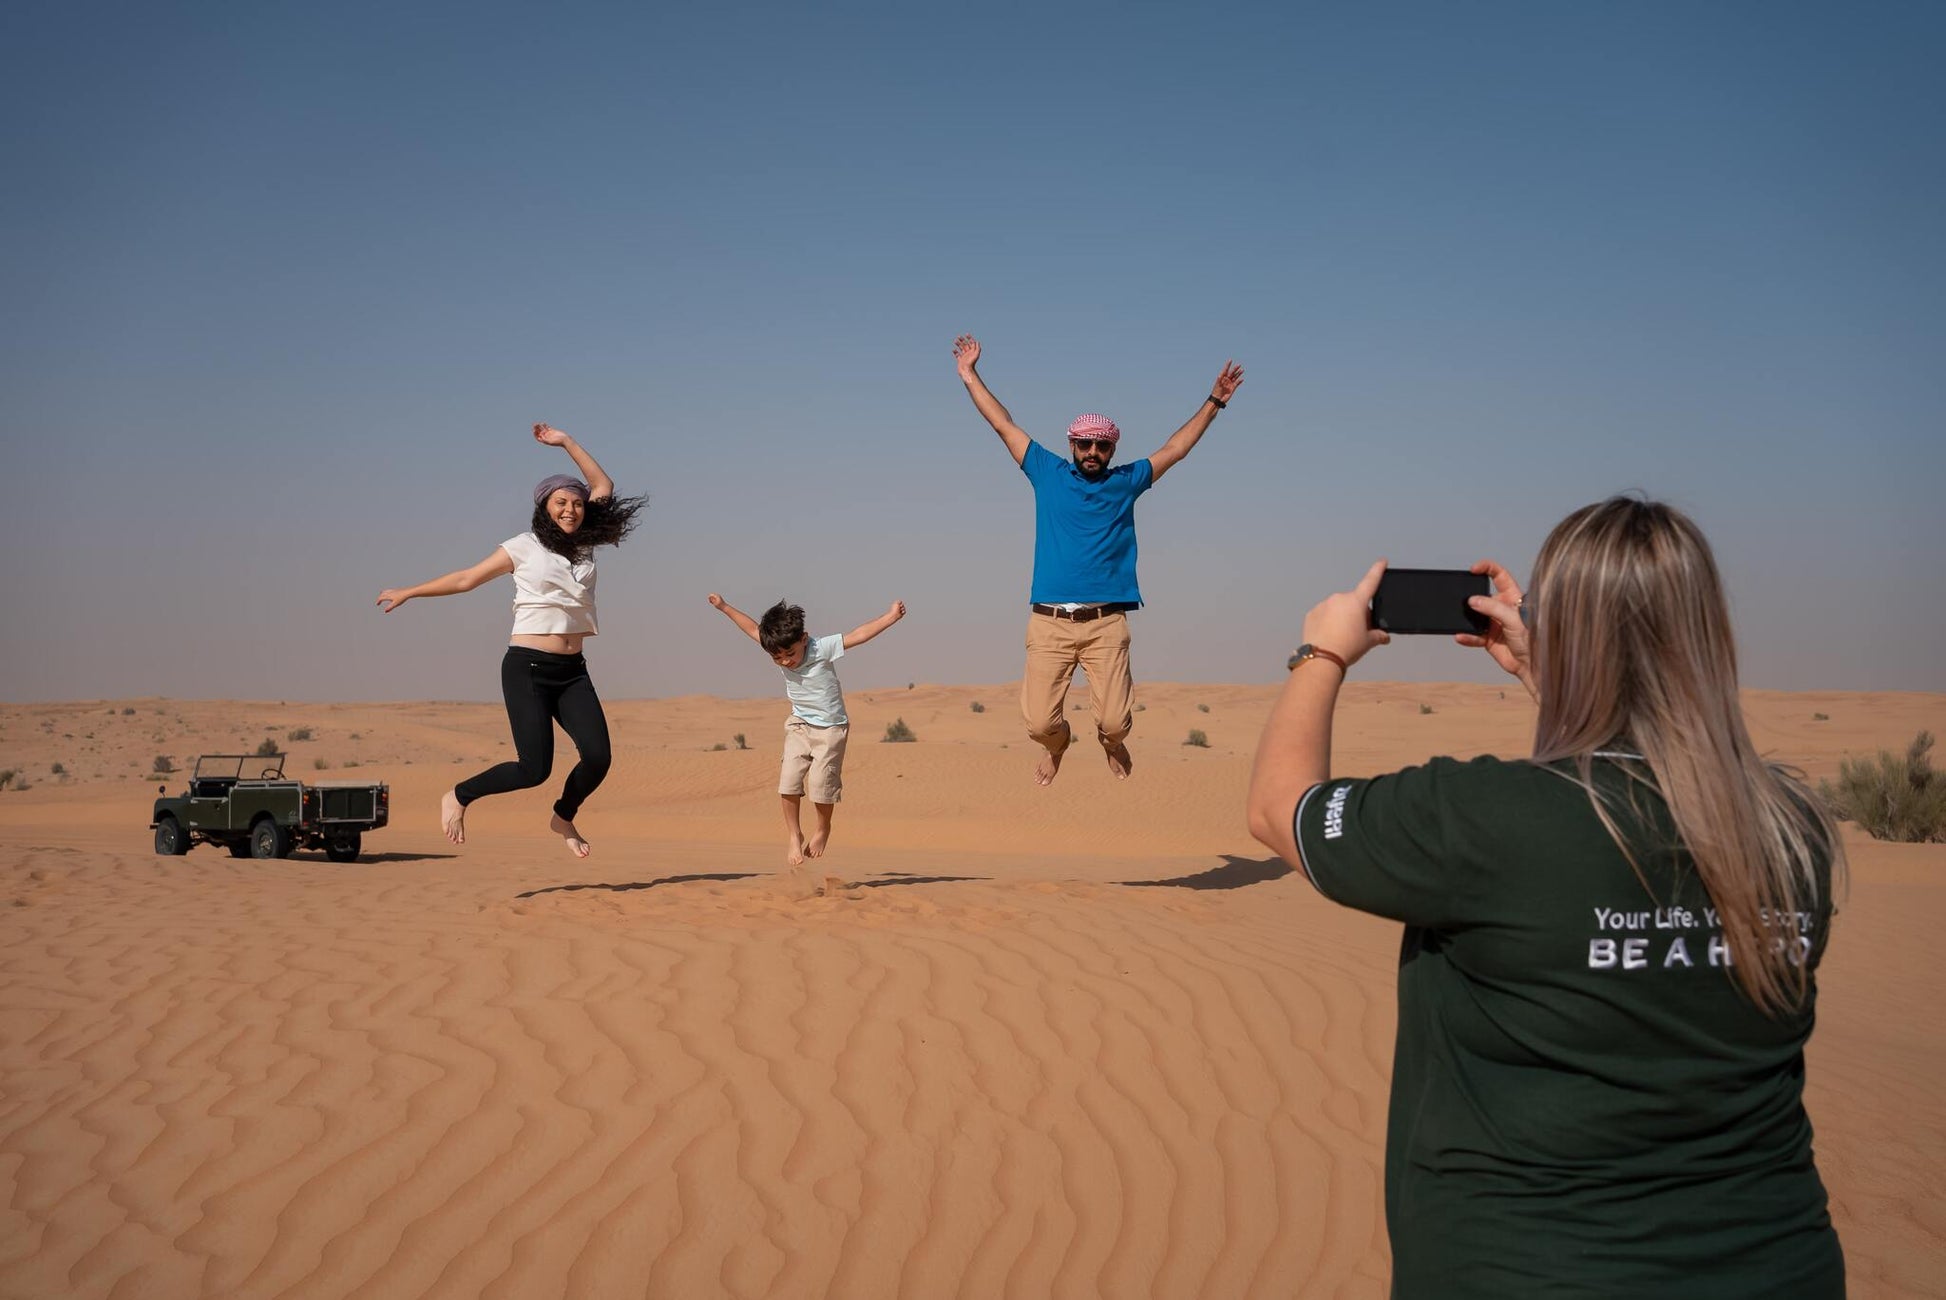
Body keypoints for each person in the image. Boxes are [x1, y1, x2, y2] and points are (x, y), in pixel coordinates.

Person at [1245, 497, 1847, 1297]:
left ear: (1570, 630)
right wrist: (1553, 679)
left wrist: (1319, 654)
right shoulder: (1793, 829)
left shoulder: (1485, 819)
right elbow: (1643, 790)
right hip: (1780, 1269)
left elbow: (1279, 809)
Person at [953, 333, 1244, 786]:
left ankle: (1111, 744)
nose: (1093, 453)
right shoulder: (1046, 472)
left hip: (1106, 623)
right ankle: (1058, 747)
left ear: (1113, 450)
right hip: (1049, 621)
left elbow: (1175, 449)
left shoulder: (1126, 481)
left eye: (1102, 447)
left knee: (1113, 722)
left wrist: (1214, 402)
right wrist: (970, 375)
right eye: (1084, 445)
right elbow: (1003, 424)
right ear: (1071, 445)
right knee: (1038, 724)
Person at [376, 425, 644, 858]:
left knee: (598, 757)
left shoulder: (586, 545)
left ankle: (563, 816)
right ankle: (460, 796)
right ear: (545, 506)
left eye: (576, 504)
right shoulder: (524, 546)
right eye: (561, 503)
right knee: (533, 768)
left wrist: (567, 443)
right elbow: (466, 578)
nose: (571, 510)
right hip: (528, 668)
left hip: (573, 671)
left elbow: (603, 485)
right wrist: (410, 591)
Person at [706, 593, 906, 866]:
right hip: (799, 724)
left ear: (803, 639)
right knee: (788, 781)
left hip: (831, 729)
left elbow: (858, 635)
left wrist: (891, 617)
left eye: (790, 653)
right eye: (777, 657)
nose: (786, 661)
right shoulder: (775, 646)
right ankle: (794, 835)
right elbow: (752, 628)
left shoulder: (820, 648)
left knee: (820, 785)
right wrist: (724, 607)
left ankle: (823, 828)